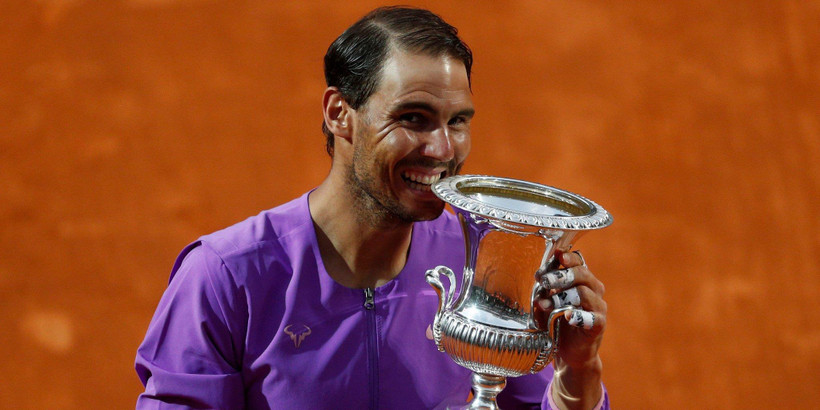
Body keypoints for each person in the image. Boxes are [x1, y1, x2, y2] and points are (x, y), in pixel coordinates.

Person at [135, 6, 609, 409]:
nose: (443, 149)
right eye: (413, 119)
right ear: (339, 114)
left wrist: (578, 371)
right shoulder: (224, 277)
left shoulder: (483, 258)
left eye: (457, 121)